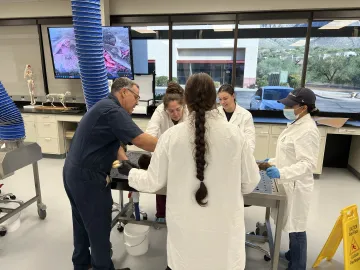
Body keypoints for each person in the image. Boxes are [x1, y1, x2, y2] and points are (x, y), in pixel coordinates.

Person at [119, 73, 260, 270]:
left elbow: (153, 182)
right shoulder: (235, 136)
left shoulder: (171, 137)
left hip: (185, 242)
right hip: (224, 244)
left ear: (187, 102)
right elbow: (250, 183)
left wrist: (130, 172)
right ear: (214, 99)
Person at [63, 77, 157, 270]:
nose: (137, 102)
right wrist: (173, 144)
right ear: (124, 92)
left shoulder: (103, 106)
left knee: (81, 224)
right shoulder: (113, 110)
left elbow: (113, 143)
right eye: (136, 97)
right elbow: (141, 140)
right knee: (98, 229)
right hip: (88, 178)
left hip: (72, 173)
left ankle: (81, 264)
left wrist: (125, 163)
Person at [265, 88, 320, 270]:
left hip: (297, 185)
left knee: (296, 226)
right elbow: (289, 156)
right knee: (289, 223)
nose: (287, 107)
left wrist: (282, 173)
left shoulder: (308, 130)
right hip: (290, 181)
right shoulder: (297, 124)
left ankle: (298, 265)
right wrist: (272, 162)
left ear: (303, 108)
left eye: (291, 105)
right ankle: (291, 255)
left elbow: (307, 164)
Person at [145, 82, 189, 223]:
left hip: (184, 155)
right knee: (162, 182)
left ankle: (182, 213)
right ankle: (161, 214)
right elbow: (150, 134)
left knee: (183, 186)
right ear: (165, 109)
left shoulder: (189, 111)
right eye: (171, 111)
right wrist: (164, 151)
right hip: (163, 153)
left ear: (183, 105)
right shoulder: (159, 111)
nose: (175, 114)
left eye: (178, 109)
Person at [218, 84, 256, 153]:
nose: (222, 102)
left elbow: (250, 142)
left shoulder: (246, 115)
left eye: (225, 98)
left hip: (239, 157)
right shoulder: (216, 114)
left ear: (233, 96)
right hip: (220, 156)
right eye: (220, 99)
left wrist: (245, 158)